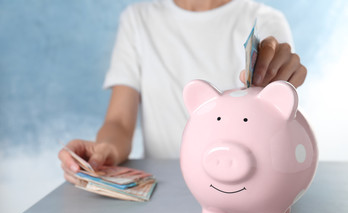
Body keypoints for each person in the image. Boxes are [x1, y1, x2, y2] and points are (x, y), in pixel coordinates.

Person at [59, 0, 307, 184]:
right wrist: (105, 150)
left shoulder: (265, 20)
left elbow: (277, 120)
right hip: (164, 186)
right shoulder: (138, 20)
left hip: (244, 185)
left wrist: (279, 78)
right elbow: (119, 122)